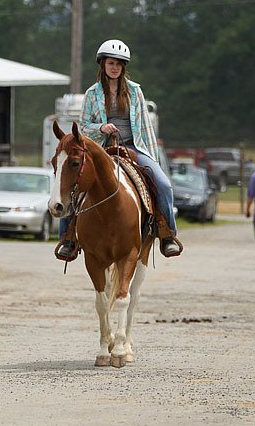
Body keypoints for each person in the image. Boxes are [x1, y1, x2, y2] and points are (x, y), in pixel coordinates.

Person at [55, 39, 182, 260]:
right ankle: (68, 238)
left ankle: (167, 234)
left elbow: (145, 125)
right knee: (75, 185)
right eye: (111, 63)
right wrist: (101, 128)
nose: (115, 67)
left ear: (124, 68)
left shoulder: (135, 92)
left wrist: (150, 154)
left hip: (134, 147)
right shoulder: (92, 94)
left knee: (163, 184)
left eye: (119, 64)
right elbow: (83, 126)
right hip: (102, 149)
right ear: (102, 64)